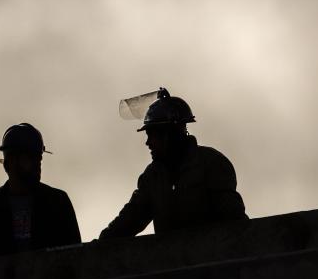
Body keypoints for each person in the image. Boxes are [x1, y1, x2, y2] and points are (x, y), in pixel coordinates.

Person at [100, 88, 246, 239]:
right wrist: (99, 245)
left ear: (170, 134)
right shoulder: (153, 176)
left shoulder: (211, 164)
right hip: (174, 260)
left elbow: (235, 223)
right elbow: (131, 218)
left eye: (152, 135)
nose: (148, 143)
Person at [0, 123, 81, 256]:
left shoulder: (58, 202)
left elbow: (75, 257)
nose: (38, 164)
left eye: (39, 158)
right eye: (31, 158)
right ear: (9, 163)